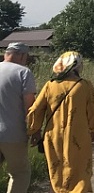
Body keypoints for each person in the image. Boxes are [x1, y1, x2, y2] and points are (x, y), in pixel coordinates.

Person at [27, 51, 94, 193]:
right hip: (79, 135)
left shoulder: (50, 85)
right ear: (77, 66)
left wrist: (34, 130)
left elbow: (36, 109)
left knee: (58, 172)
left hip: (53, 137)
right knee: (81, 171)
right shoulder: (85, 85)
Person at [0, 42, 36, 193]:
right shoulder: (23, 72)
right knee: (20, 173)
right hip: (13, 134)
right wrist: (34, 130)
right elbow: (30, 107)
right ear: (21, 55)